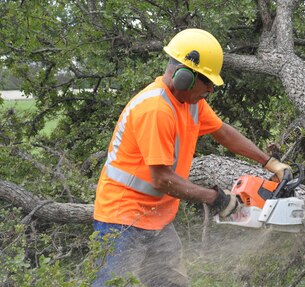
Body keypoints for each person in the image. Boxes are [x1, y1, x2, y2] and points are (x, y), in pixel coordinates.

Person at [92, 28, 291, 287]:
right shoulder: (156, 110)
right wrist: (215, 198)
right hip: (122, 220)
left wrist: (270, 162)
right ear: (184, 76)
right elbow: (162, 179)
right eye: (207, 82)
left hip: (158, 218)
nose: (210, 90)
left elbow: (224, 132)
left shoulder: (191, 103)